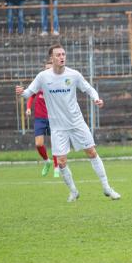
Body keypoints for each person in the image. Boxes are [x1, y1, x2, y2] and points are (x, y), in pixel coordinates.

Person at [16, 44, 121, 202]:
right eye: (58, 55)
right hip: (58, 127)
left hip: (77, 122)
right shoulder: (43, 77)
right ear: (51, 58)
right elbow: (28, 93)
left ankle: (107, 188)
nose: (61, 57)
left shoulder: (73, 75)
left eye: (63, 54)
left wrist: (96, 98)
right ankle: (73, 191)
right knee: (62, 161)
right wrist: (21, 92)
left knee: (92, 152)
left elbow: (89, 89)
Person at [26, 59, 59, 178]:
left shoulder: (56, 84)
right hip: (39, 118)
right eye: (46, 69)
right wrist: (28, 108)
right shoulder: (39, 83)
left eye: (50, 69)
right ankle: (47, 161)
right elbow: (31, 96)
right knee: (39, 144)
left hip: (53, 118)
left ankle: (56, 166)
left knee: (55, 143)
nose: (47, 71)